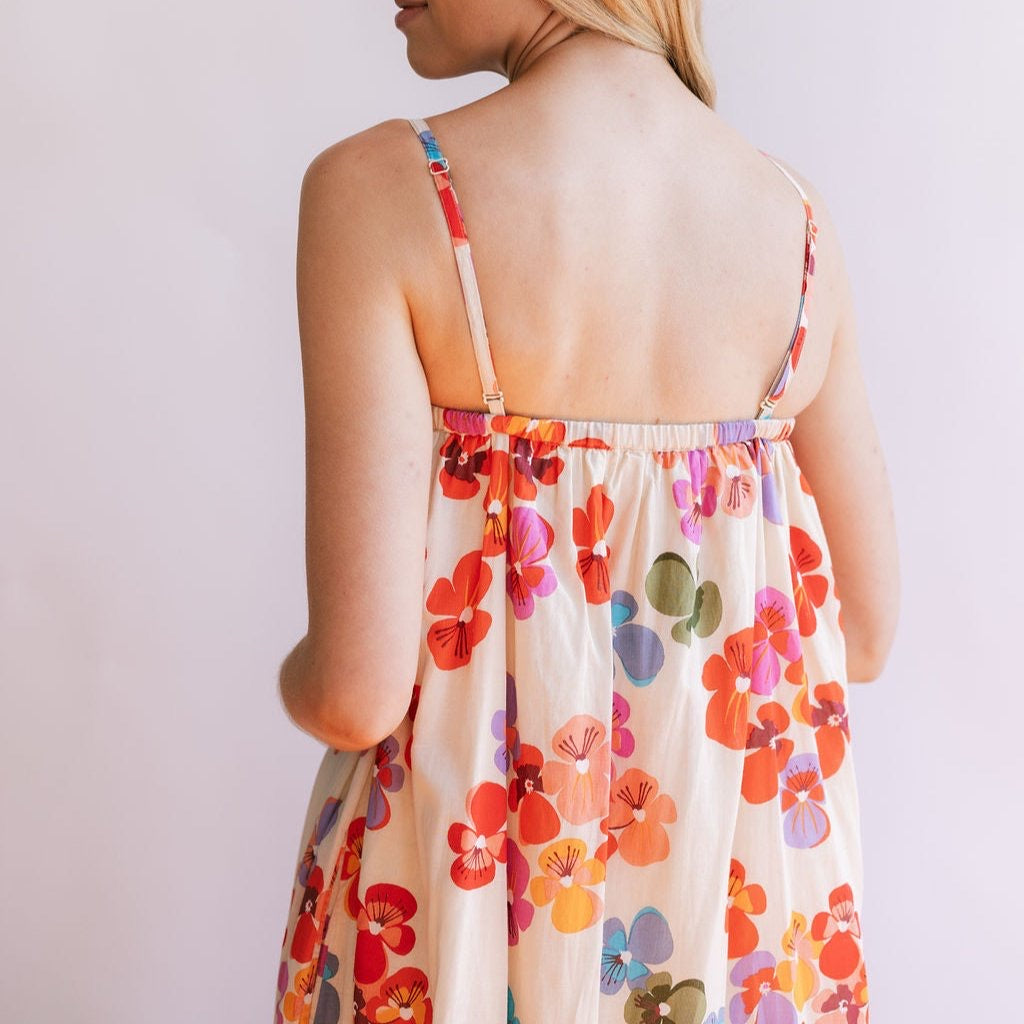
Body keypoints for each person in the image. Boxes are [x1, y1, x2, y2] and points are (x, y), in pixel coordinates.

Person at [273, 1, 899, 1021]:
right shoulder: (794, 222)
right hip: (731, 924)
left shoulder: (383, 192)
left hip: (462, 914)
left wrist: (296, 680)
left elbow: (354, 692)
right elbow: (862, 632)